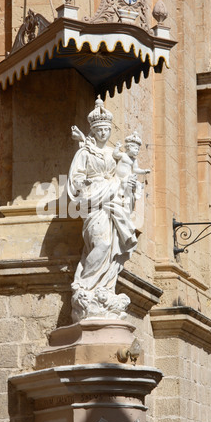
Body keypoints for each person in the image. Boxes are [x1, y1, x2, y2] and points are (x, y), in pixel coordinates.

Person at [67, 99, 141, 322]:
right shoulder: (85, 152)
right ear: (93, 130)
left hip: (113, 201)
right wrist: (88, 187)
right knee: (102, 244)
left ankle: (104, 289)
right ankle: (85, 285)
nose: (103, 133)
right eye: (99, 129)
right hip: (95, 201)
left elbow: (122, 175)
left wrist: (129, 187)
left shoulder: (113, 153)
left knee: (111, 248)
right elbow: (75, 179)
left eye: (106, 129)